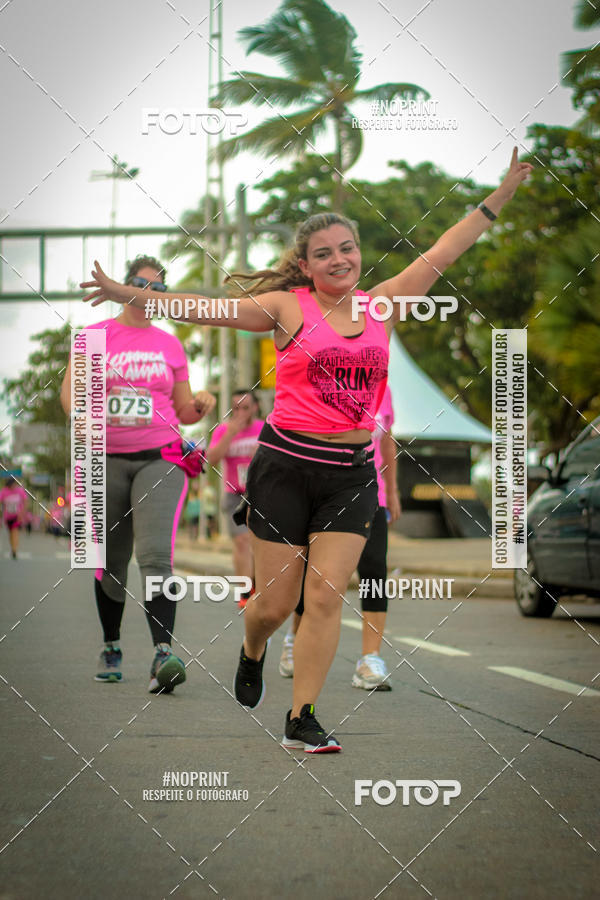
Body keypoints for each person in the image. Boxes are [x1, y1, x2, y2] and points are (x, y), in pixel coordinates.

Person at [80, 148, 532, 751]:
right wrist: (127, 293)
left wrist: (500, 195)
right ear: (306, 264)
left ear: (358, 253)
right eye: (324, 253)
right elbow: (208, 310)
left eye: (347, 248)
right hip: (286, 467)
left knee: (324, 598)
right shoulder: (287, 307)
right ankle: (253, 646)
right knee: (273, 607)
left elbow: (447, 248)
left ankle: (303, 719)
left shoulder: (384, 303)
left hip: (351, 473)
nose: (339, 259)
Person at [63, 255, 216, 692]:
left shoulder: (170, 345)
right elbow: (72, 390)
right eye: (140, 284)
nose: (148, 295)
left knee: (155, 557)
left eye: (158, 289)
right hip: (104, 459)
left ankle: (162, 654)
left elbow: (185, 410)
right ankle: (111, 644)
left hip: (160, 458)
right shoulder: (95, 336)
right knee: (111, 562)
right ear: (124, 286)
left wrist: (201, 401)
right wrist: (80, 414)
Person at [279, 384, 401, 690]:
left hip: (373, 495)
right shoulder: (324, 382)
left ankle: (369, 659)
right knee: (315, 574)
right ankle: (295, 639)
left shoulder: (384, 390)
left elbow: (387, 444)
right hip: (326, 495)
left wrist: (393, 491)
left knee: (374, 570)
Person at [205, 389, 263, 606]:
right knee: (241, 541)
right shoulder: (223, 431)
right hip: (234, 495)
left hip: (261, 494)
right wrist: (230, 434)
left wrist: (262, 453)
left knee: (260, 544)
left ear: (255, 408)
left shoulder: (264, 429)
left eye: (245, 408)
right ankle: (246, 592)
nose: (240, 413)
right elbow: (211, 459)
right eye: (236, 408)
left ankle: (257, 582)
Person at [0, 476, 28, 559]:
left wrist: (22, 513)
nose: (12, 487)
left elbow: (25, 502)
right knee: (11, 533)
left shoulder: (20, 491)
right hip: (8, 516)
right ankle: (12, 548)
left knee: (15, 531)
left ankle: (15, 550)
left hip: (17, 516)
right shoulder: (4, 491)